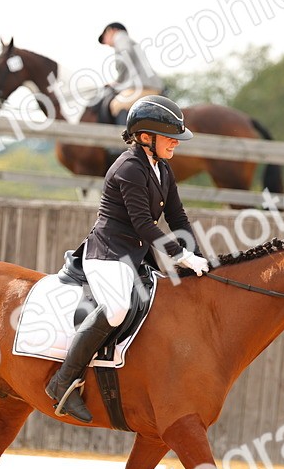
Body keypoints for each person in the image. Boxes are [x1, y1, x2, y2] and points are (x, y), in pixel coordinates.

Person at [44, 95, 210, 423]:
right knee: (118, 308)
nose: (176, 144)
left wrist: (199, 259)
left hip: (136, 255)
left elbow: (178, 218)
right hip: (107, 254)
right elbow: (143, 225)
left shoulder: (163, 169)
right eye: (170, 137)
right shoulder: (128, 169)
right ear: (146, 138)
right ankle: (63, 379)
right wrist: (180, 255)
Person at [96, 21, 164, 126]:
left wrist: (117, 81)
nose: (106, 42)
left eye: (105, 36)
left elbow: (125, 55)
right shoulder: (130, 42)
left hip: (143, 87)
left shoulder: (120, 37)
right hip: (148, 85)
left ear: (111, 30)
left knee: (117, 105)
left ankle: (125, 139)